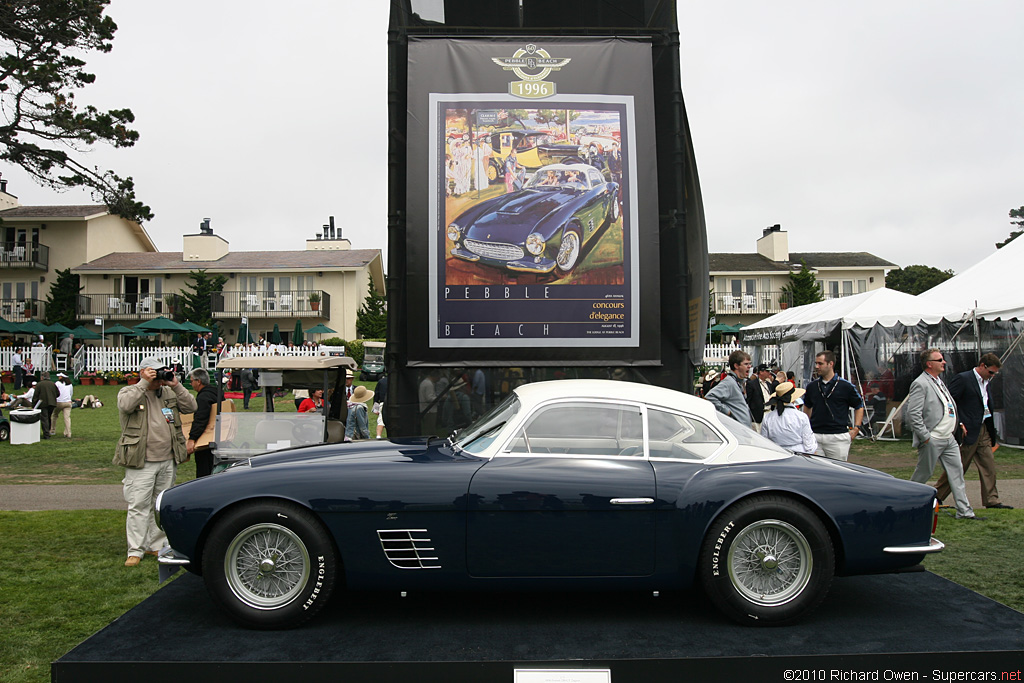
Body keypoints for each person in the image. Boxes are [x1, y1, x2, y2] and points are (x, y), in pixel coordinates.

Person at [115, 357, 197, 566]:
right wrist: (143, 383)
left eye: (162, 372)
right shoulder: (130, 392)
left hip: (167, 458)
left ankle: (157, 545)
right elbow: (125, 406)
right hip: (141, 460)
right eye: (156, 373)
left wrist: (176, 385)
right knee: (139, 505)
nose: (160, 377)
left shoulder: (168, 392)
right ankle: (135, 549)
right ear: (144, 371)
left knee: (160, 505)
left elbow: (191, 406)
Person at [934, 353, 1012, 510]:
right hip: (967, 430)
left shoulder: (986, 381)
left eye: (995, 374)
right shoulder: (963, 379)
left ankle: (992, 500)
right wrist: (959, 423)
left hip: (983, 428)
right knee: (958, 466)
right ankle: (936, 496)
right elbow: (949, 402)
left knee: (988, 466)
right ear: (982, 366)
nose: (992, 376)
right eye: (991, 372)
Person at [906, 349, 977, 520]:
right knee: (924, 473)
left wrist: (957, 423)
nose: (943, 362)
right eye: (939, 360)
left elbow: (947, 406)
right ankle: (906, 503)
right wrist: (926, 437)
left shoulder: (939, 381)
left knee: (957, 472)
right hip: (933, 438)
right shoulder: (920, 383)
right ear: (929, 364)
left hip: (948, 438)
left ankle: (964, 511)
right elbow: (913, 414)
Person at [802, 351, 864, 461]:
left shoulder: (845, 386)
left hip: (838, 436)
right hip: (816, 435)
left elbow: (859, 406)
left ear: (830, 364)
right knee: (816, 471)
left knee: (838, 472)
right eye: (816, 363)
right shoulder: (812, 386)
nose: (817, 367)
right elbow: (807, 406)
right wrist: (806, 428)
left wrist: (856, 428)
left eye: (820, 363)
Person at [761, 382, 818, 454]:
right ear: (793, 399)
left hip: (776, 454)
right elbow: (809, 446)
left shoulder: (768, 418)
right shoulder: (801, 417)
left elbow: (764, 442)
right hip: (799, 456)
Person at [185, 368, 219, 478]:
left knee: (204, 472)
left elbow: (201, 418)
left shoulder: (203, 397)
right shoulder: (216, 393)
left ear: (198, 381)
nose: (191, 384)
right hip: (219, 437)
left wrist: (192, 438)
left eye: (191, 381)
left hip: (206, 442)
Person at [705, 350, 753, 427]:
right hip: (737, 430)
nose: (749, 366)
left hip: (743, 430)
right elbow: (709, 396)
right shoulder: (729, 382)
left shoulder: (738, 382)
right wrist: (727, 412)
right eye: (746, 364)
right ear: (736, 366)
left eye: (750, 364)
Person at [746, 363, 777, 432]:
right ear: (761, 372)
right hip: (758, 415)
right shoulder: (752, 384)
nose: (769, 373)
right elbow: (749, 400)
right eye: (767, 371)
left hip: (769, 413)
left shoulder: (769, 384)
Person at [33, 373, 58, 440]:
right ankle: (48, 431)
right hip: (52, 403)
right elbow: (58, 393)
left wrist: (34, 405)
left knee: (44, 419)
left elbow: (35, 395)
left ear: (42, 377)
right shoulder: (53, 384)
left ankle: (46, 434)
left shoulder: (39, 384)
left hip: (43, 404)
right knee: (48, 418)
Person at [51, 372, 74, 438]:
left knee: (54, 415)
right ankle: (68, 433)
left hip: (59, 402)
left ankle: (52, 430)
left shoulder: (57, 383)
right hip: (68, 402)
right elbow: (71, 393)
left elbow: (54, 392)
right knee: (67, 418)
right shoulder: (70, 384)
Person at [373, 372, 388, 439]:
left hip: (383, 403)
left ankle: (378, 436)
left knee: (381, 421)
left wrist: (375, 408)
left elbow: (376, 394)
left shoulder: (381, 381)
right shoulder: (399, 381)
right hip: (396, 403)